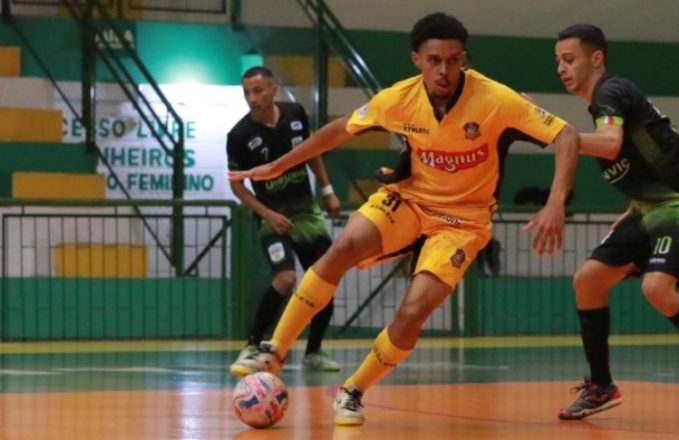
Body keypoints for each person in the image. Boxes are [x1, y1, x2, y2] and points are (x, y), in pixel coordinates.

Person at [229, 13, 580, 426]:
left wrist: (555, 202)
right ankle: (274, 349)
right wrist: (276, 168)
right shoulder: (398, 98)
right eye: (434, 60)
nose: (444, 70)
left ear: (463, 59)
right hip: (409, 200)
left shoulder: (496, 99)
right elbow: (338, 131)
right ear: (417, 59)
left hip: (462, 222)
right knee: (341, 247)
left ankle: (353, 390)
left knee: (413, 312)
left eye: (453, 60)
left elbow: (567, 135)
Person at [550, 24, 679, 420]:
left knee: (656, 287)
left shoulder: (610, 91)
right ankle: (601, 386)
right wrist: (630, 209)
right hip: (648, 209)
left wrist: (555, 131)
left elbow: (608, 144)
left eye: (568, 59)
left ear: (596, 58)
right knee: (587, 281)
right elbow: (644, 161)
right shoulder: (609, 104)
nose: (561, 68)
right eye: (557, 61)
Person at [226, 66, 342, 374]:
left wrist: (328, 190)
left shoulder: (294, 114)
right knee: (286, 279)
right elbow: (236, 184)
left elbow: (312, 151)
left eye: (258, 91)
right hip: (272, 219)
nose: (252, 98)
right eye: (247, 92)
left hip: (307, 214)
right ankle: (252, 345)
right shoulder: (238, 136)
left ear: (273, 90)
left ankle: (314, 352)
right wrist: (268, 214)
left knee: (325, 278)